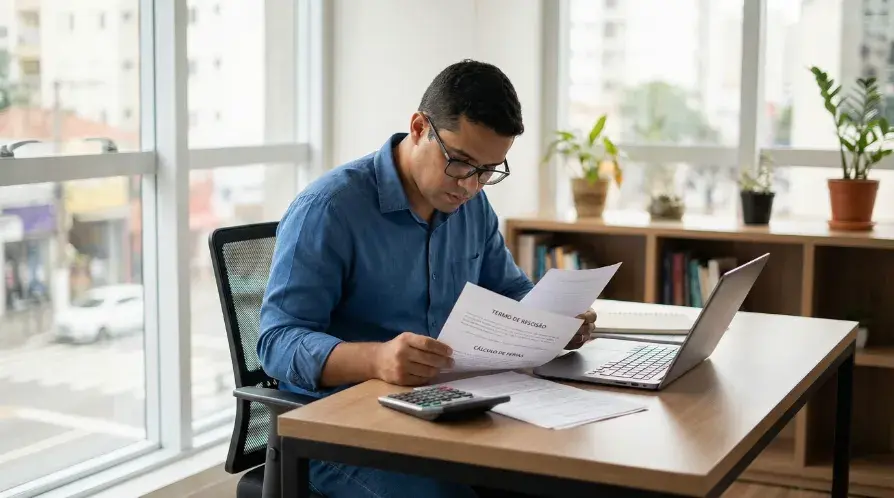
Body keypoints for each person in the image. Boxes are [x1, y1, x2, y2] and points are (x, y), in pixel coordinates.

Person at [258, 59, 597, 498]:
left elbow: (511, 290)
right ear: (419, 127)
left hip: (446, 407)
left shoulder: (470, 205)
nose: (471, 186)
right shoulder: (330, 209)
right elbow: (277, 342)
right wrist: (377, 359)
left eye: (490, 170)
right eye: (460, 162)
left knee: (565, 474)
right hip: (342, 430)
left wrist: (554, 322)